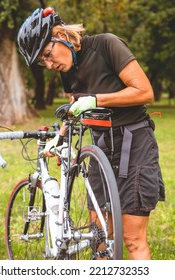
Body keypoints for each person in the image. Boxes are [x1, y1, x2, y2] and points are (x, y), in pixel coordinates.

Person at [17, 7, 165, 260]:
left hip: (135, 143)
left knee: (131, 239)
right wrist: (60, 136)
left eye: (48, 55)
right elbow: (75, 108)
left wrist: (96, 100)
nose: (50, 65)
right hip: (100, 149)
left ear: (61, 34)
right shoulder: (67, 69)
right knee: (99, 238)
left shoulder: (107, 45)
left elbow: (144, 92)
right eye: (44, 62)